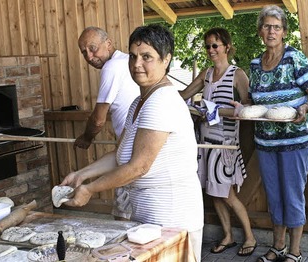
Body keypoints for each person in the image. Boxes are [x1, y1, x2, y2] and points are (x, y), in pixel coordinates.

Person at [61, 24, 204, 261]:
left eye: (147, 57)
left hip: (172, 219)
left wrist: (90, 189)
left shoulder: (162, 101)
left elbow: (139, 166)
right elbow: (120, 155)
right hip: (149, 220)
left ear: (166, 60)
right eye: (134, 56)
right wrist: (81, 175)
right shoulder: (139, 102)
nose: (137, 64)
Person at [245, 5, 308, 262]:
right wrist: (241, 108)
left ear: (284, 32)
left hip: (296, 140)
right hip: (266, 141)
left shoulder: (295, 58)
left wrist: (304, 106)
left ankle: (295, 251)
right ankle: (277, 246)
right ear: (260, 31)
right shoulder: (256, 64)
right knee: (274, 195)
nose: (271, 31)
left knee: (292, 193)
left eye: (276, 27)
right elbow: (254, 102)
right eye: (266, 26)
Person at [179, 28, 256, 256]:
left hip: (225, 142)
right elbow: (184, 94)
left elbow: (247, 107)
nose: (211, 50)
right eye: (208, 46)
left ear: (227, 47)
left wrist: (217, 112)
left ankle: (250, 237)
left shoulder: (237, 74)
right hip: (205, 141)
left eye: (215, 45)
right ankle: (228, 236)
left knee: (227, 194)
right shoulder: (206, 74)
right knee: (214, 193)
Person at [75, 27, 140, 220]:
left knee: (124, 219)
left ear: (109, 44)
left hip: (132, 152)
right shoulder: (126, 62)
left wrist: (86, 138)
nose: (89, 56)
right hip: (130, 147)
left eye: (92, 48)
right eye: (84, 52)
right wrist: (81, 174)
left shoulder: (112, 67)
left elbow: (98, 119)